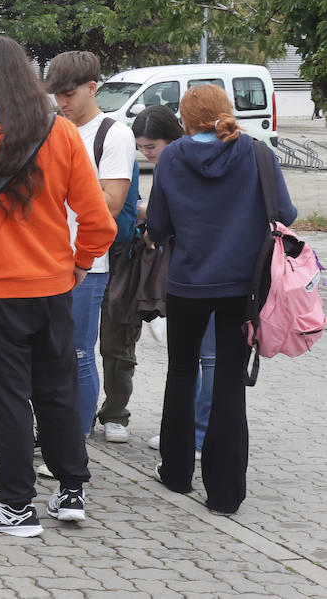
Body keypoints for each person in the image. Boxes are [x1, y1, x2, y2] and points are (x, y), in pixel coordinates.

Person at [0, 35, 114, 537]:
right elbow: (98, 220)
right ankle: (71, 490)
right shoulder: (62, 133)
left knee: (7, 394)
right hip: (53, 285)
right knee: (56, 388)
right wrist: (80, 263)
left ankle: (15, 506)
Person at [145, 85, 295, 516]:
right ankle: (225, 494)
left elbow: (157, 225)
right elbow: (284, 214)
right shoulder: (258, 153)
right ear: (226, 112)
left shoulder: (173, 157)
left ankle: (175, 473)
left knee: (181, 373)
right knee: (230, 381)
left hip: (188, 283)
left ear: (186, 119)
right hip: (242, 287)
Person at [45, 50, 136, 438]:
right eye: (56, 96)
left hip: (88, 263)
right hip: (44, 260)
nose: (62, 103)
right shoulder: (50, 127)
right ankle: (52, 430)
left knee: (78, 355)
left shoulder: (113, 133)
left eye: (69, 94)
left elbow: (112, 203)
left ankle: (73, 441)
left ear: (92, 88)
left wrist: (63, 188)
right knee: (49, 355)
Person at [131, 106, 213, 458]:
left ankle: (193, 436)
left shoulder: (176, 162)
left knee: (197, 359)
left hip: (191, 273)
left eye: (151, 146)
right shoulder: (240, 153)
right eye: (142, 148)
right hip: (229, 272)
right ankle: (198, 432)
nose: (147, 154)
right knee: (204, 359)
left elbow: (162, 223)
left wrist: (145, 215)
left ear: (175, 134)